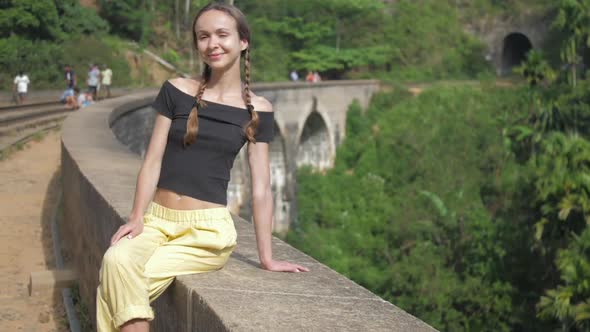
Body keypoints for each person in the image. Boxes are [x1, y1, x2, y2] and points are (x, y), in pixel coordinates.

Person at [96, 3, 309, 332]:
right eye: (203, 36)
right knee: (115, 262)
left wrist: (266, 258)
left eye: (223, 34)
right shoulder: (176, 90)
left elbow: (262, 188)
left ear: (243, 41)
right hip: (157, 220)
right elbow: (152, 159)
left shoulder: (258, 110)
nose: (213, 44)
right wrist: (137, 216)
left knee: (119, 279)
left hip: (206, 233)